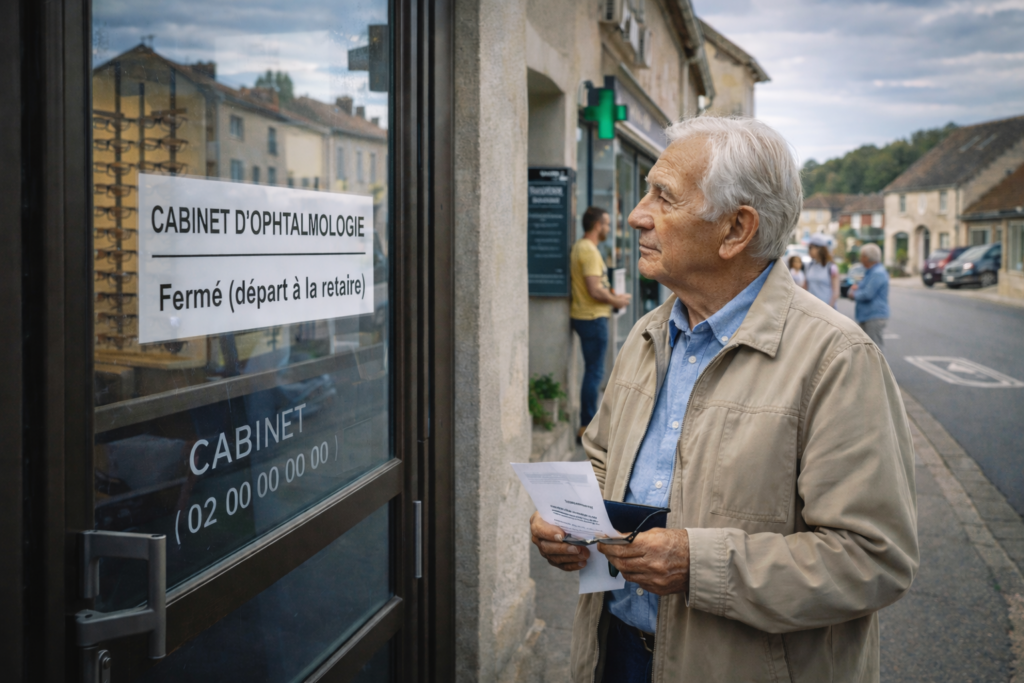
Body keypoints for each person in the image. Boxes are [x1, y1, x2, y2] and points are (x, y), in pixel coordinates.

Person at [530, 117, 917, 683]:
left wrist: (699, 565)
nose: (638, 214)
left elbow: (874, 559)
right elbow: (602, 461)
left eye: (663, 196)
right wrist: (564, 521)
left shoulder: (836, 358)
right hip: (614, 652)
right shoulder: (647, 336)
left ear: (736, 230)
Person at [570, 207, 631, 439]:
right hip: (593, 317)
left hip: (585, 315)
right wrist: (617, 299)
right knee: (594, 373)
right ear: (597, 225)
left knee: (592, 371)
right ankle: (587, 425)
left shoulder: (580, 247)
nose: (608, 228)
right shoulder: (589, 251)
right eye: (606, 224)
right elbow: (595, 289)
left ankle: (587, 423)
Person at [848, 243, 890, 348]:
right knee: (867, 348)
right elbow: (861, 287)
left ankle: (879, 365)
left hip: (874, 316)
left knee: (875, 349)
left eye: (862, 256)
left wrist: (853, 294)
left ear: (868, 258)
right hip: (868, 315)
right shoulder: (871, 272)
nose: (860, 258)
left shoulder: (877, 273)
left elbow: (867, 294)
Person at [806, 234, 840, 307]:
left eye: (810, 248)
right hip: (811, 309)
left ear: (819, 248)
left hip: (826, 310)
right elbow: (805, 287)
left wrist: (828, 310)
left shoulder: (831, 267)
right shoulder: (810, 265)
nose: (808, 250)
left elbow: (836, 293)